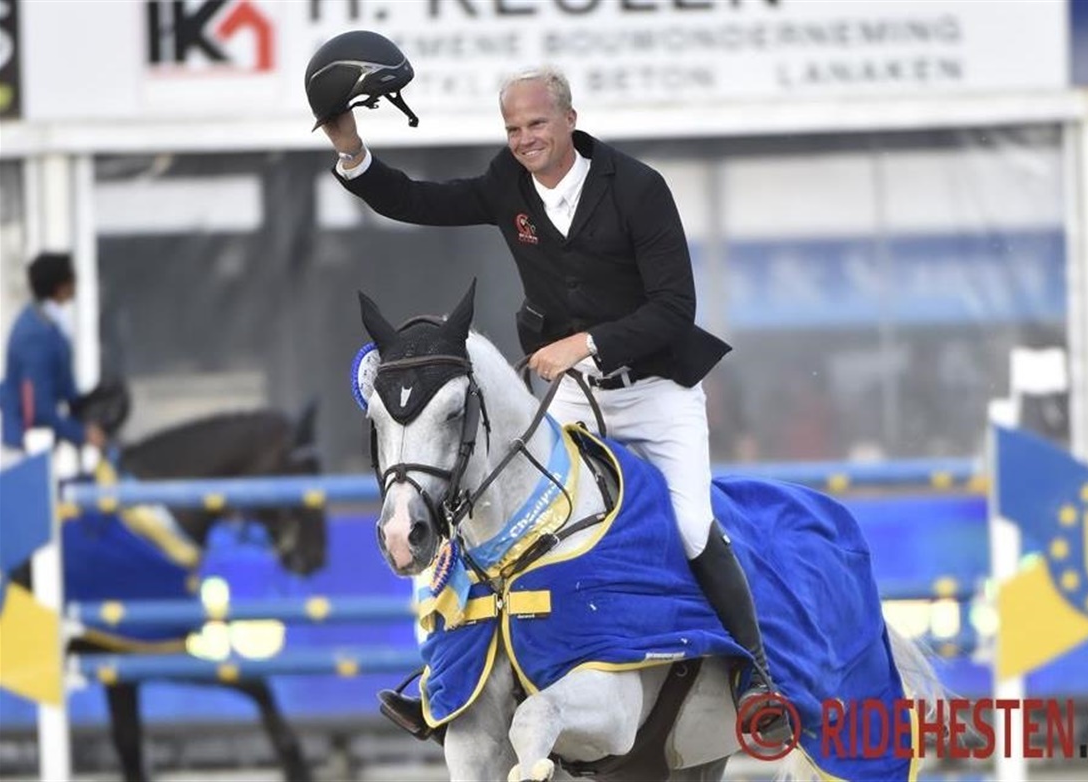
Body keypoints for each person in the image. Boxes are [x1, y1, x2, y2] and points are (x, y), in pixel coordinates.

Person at [321, 65, 785, 734]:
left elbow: (674, 308)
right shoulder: (507, 183)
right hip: (573, 397)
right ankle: (445, 681)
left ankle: (756, 679)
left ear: (570, 119)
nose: (524, 139)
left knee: (688, 526)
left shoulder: (638, 188)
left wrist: (584, 344)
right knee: (488, 520)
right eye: (512, 128)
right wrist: (351, 151)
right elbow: (417, 201)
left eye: (537, 123)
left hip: (656, 392)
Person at [1, 252, 105, 467]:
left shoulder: (47, 322)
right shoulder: (36, 333)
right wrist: (82, 433)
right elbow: (39, 406)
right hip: (22, 449)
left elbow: (64, 389)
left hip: (36, 443)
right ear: (61, 287)